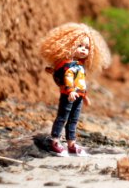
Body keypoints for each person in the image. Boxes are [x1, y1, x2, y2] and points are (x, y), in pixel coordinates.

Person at [38, 22, 111, 156]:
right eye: (79, 46)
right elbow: (69, 77)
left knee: (74, 120)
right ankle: (54, 140)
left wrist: (85, 95)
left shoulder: (80, 65)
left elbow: (81, 82)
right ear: (70, 46)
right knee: (62, 117)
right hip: (68, 94)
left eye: (87, 47)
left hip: (78, 96)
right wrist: (71, 91)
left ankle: (71, 143)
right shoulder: (69, 65)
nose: (83, 49)